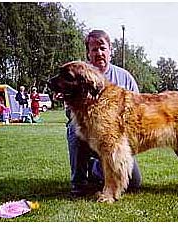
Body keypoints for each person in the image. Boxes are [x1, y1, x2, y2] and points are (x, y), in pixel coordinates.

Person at [66, 29, 142, 196]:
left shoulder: (125, 77)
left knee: (134, 183)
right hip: (88, 136)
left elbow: (138, 111)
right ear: (88, 53)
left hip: (118, 138)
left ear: (110, 50)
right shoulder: (79, 76)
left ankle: (97, 170)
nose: (99, 53)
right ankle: (79, 183)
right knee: (73, 129)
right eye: (94, 49)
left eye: (102, 48)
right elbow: (69, 114)